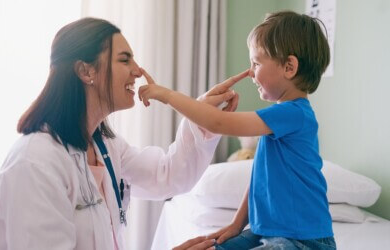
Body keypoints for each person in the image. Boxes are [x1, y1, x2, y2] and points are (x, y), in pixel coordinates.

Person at [0, 17, 247, 250]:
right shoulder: (35, 163)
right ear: (86, 71)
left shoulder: (106, 147)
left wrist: (201, 115)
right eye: (125, 59)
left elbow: (168, 175)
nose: (138, 71)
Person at [138, 11, 336, 250]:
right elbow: (260, 181)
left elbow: (217, 123)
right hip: (268, 231)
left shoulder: (294, 114)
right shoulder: (281, 116)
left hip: (305, 241)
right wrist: (235, 224)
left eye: (256, 63)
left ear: (289, 67)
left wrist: (167, 95)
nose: (251, 72)